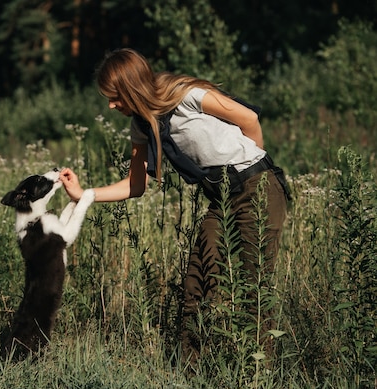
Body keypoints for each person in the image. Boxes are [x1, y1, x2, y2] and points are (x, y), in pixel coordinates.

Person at [59, 48, 289, 365]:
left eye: (115, 97)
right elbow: (136, 184)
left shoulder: (188, 96)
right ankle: (190, 374)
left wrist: (252, 167)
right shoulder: (141, 125)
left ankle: (258, 379)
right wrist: (83, 194)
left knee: (254, 285)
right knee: (198, 280)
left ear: (131, 87)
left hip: (257, 187)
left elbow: (249, 119)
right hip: (220, 197)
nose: (111, 105)